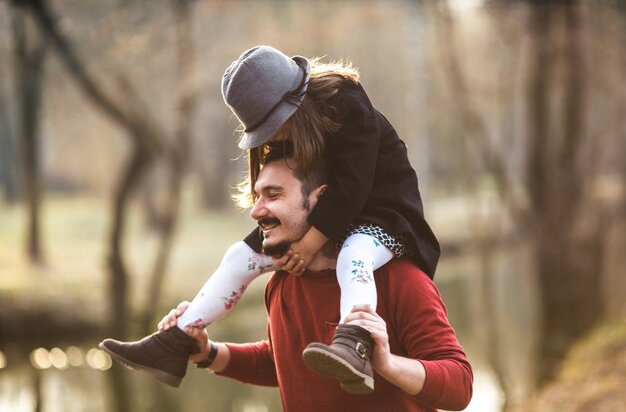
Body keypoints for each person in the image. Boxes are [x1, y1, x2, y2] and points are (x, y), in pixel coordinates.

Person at [99, 45, 440, 393]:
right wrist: (211, 353)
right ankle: (176, 340)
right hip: (324, 213)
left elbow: (353, 186)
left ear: (295, 103)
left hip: (384, 216)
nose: (272, 139)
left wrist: (307, 246)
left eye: (273, 127)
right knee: (239, 256)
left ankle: (355, 342)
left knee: (354, 256)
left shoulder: (347, 105)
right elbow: (289, 193)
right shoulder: (292, 131)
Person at [160, 150, 473, 412]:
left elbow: (460, 385)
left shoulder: (399, 279)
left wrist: (387, 364)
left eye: (273, 194)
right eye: (257, 196)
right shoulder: (282, 284)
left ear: (321, 200)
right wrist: (209, 353)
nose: (256, 211)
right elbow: (284, 363)